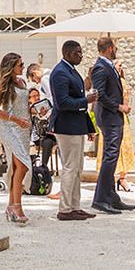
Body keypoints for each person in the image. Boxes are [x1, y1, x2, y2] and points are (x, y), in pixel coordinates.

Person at [49, 40, 98, 221]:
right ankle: (64, 209)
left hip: (76, 125)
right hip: (66, 126)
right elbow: (62, 102)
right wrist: (87, 100)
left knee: (77, 168)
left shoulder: (71, 70)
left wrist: (89, 127)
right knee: (70, 167)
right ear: (68, 53)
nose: (81, 55)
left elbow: (77, 95)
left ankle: (75, 206)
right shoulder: (60, 72)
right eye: (78, 53)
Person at [91, 36, 135, 214]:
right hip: (109, 118)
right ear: (109, 48)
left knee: (112, 157)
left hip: (113, 118)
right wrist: (119, 107)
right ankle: (101, 199)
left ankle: (112, 197)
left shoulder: (108, 65)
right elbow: (100, 94)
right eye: (115, 47)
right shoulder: (100, 67)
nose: (116, 50)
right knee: (109, 158)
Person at [0, 52, 33, 225]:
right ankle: (17, 207)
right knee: (22, 166)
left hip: (24, 129)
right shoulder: (1, 84)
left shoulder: (22, 82)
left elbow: (24, 105)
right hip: (9, 128)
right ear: (11, 67)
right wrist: (15, 120)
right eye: (20, 65)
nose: (23, 67)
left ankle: (11, 205)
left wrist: (35, 110)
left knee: (17, 168)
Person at [97, 60, 135, 193]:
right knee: (110, 149)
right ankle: (109, 180)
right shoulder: (106, 79)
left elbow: (126, 101)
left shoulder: (122, 81)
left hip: (121, 116)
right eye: (118, 65)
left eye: (121, 65)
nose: (120, 67)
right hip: (109, 117)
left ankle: (123, 177)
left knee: (123, 146)